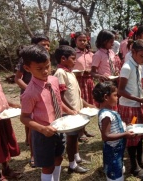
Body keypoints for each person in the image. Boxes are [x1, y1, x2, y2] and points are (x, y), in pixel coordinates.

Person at [20, 44, 76, 181]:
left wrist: (70, 111)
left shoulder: (54, 80)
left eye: (47, 66)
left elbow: (58, 101)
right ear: (27, 68)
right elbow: (24, 118)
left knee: (59, 157)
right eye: (39, 69)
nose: (45, 71)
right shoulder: (30, 93)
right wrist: (43, 128)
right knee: (47, 165)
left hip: (59, 127)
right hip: (43, 133)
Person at [53, 45, 95, 174]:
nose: (75, 61)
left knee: (75, 137)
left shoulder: (69, 72)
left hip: (74, 112)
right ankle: (72, 165)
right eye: (73, 58)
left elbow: (75, 94)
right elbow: (59, 97)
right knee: (71, 139)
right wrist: (70, 110)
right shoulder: (60, 73)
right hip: (68, 114)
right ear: (63, 58)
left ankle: (76, 158)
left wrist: (87, 104)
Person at [14, 33, 50, 168]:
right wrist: (30, 89)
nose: (46, 47)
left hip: (42, 92)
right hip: (30, 94)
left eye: (48, 45)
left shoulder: (46, 60)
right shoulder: (25, 61)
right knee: (31, 127)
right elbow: (17, 78)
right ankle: (33, 155)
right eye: (43, 45)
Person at [117, 39, 143, 178]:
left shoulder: (137, 65)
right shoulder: (127, 67)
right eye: (142, 56)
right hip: (129, 107)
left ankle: (140, 160)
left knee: (139, 135)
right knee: (132, 136)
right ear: (133, 52)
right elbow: (120, 91)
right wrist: (139, 99)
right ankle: (134, 166)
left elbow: (135, 85)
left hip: (137, 105)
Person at [93, 81, 134, 181]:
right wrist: (125, 134)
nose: (117, 97)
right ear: (106, 97)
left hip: (117, 150)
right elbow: (106, 136)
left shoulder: (110, 111)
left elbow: (113, 128)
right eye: (115, 95)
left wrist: (125, 126)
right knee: (115, 174)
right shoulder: (106, 115)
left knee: (117, 169)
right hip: (113, 150)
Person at [70, 31, 95, 142]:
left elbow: (95, 68)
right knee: (79, 105)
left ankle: (84, 129)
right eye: (80, 40)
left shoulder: (91, 54)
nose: (82, 42)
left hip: (89, 81)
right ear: (75, 41)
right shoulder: (72, 53)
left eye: (84, 40)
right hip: (77, 81)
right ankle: (79, 132)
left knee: (88, 106)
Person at [0, 77, 22, 181]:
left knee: (5, 144)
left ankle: (6, 169)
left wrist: (12, 104)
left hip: (2, 117)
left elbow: (0, 96)